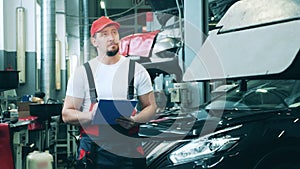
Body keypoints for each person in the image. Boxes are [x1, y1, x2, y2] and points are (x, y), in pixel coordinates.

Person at [62, 16, 157, 168]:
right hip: (94, 151)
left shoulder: (136, 70)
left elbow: (151, 107)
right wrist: (90, 116)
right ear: (94, 41)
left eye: (114, 32)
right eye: (104, 34)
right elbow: (67, 114)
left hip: (129, 149)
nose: (111, 38)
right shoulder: (83, 73)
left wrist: (136, 119)